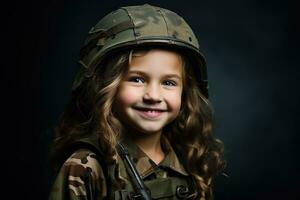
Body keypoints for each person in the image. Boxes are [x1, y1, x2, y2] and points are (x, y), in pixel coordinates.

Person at [48, 3, 226, 200]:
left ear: (185, 93)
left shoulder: (189, 159)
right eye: (137, 79)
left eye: (168, 82)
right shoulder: (87, 166)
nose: (153, 95)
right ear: (107, 85)